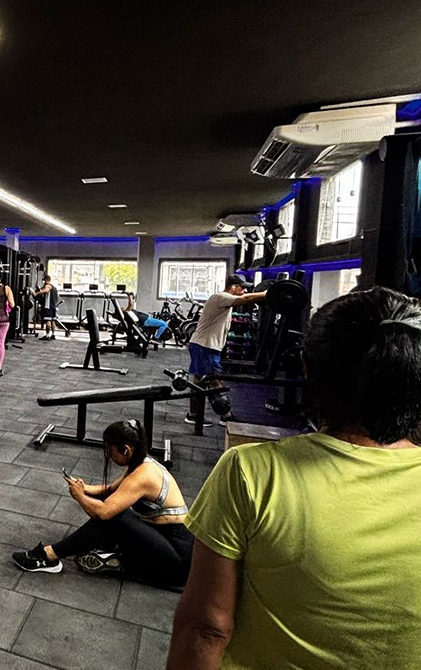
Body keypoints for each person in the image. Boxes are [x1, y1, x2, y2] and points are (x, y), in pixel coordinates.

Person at [168, 287, 421, 670]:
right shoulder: (221, 297)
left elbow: (207, 627)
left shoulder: (250, 472)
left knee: (208, 380)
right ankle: (200, 410)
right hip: (204, 344)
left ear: (306, 367)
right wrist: (270, 292)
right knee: (206, 380)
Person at [12, 419, 194, 589]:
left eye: (110, 450)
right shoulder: (141, 463)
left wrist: (80, 497)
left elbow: (103, 513)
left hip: (177, 562)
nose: (109, 455)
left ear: (126, 450)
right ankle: (115, 555)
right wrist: (83, 488)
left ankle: (50, 556)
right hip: (167, 540)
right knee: (114, 511)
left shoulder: (142, 476)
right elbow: (111, 490)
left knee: (114, 516)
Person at [185, 275, 266, 425]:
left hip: (204, 345)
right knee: (214, 380)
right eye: (243, 287)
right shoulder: (222, 297)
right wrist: (266, 294)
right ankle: (225, 416)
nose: (245, 291)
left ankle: (194, 415)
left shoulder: (224, 300)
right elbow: (245, 299)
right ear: (233, 287)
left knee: (199, 380)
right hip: (205, 346)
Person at [32, 274, 60, 340]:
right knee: (53, 320)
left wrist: (36, 293)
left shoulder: (48, 286)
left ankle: (47, 335)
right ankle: (53, 334)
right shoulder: (55, 288)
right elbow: (58, 297)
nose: (43, 282)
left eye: (44, 280)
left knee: (48, 320)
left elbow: (46, 290)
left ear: (46, 280)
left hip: (48, 306)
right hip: (53, 306)